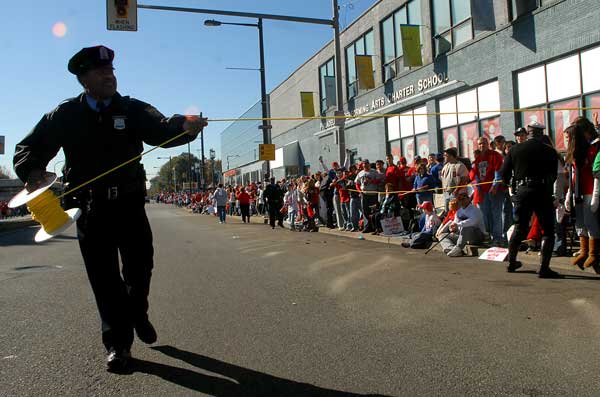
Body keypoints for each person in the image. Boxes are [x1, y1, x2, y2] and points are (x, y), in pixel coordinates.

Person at [12, 45, 208, 371]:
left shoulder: (131, 109)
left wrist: (183, 127)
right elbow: (28, 148)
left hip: (129, 205)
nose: (110, 76)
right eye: (101, 72)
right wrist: (32, 172)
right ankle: (118, 345)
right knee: (104, 280)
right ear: (84, 79)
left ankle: (137, 312)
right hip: (90, 209)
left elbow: (160, 127)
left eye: (112, 71)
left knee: (139, 268)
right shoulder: (65, 115)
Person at [501, 121, 561, 278]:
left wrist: (513, 187)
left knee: (519, 227)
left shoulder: (514, 149)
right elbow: (553, 175)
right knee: (548, 230)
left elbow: (504, 174)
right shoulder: (549, 151)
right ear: (541, 133)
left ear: (528, 133)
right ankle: (544, 268)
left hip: (522, 190)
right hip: (541, 191)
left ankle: (512, 262)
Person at [566, 118, 600, 272]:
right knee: (580, 222)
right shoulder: (574, 153)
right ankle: (584, 250)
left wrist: (596, 195)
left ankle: (593, 253)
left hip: (588, 191)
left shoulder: (592, 150)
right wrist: (569, 194)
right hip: (577, 192)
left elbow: (596, 174)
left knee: (590, 221)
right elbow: (572, 174)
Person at [471, 137, 505, 246]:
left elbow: (498, 171)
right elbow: (475, 175)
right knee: (485, 214)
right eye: (480, 144)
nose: (482, 145)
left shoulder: (495, 155)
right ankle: (489, 235)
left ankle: (498, 238)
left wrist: (495, 185)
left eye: (484, 143)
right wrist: (478, 188)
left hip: (496, 190)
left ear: (487, 144)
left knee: (496, 214)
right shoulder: (478, 159)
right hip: (483, 191)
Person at [438, 192, 486, 257]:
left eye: (464, 198)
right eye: (459, 199)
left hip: (477, 236)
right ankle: (450, 248)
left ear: (469, 199)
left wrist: (457, 225)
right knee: (442, 235)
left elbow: (472, 222)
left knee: (466, 226)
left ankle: (458, 248)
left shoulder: (475, 210)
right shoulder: (459, 211)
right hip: (462, 236)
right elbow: (455, 222)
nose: (462, 201)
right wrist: (452, 227)